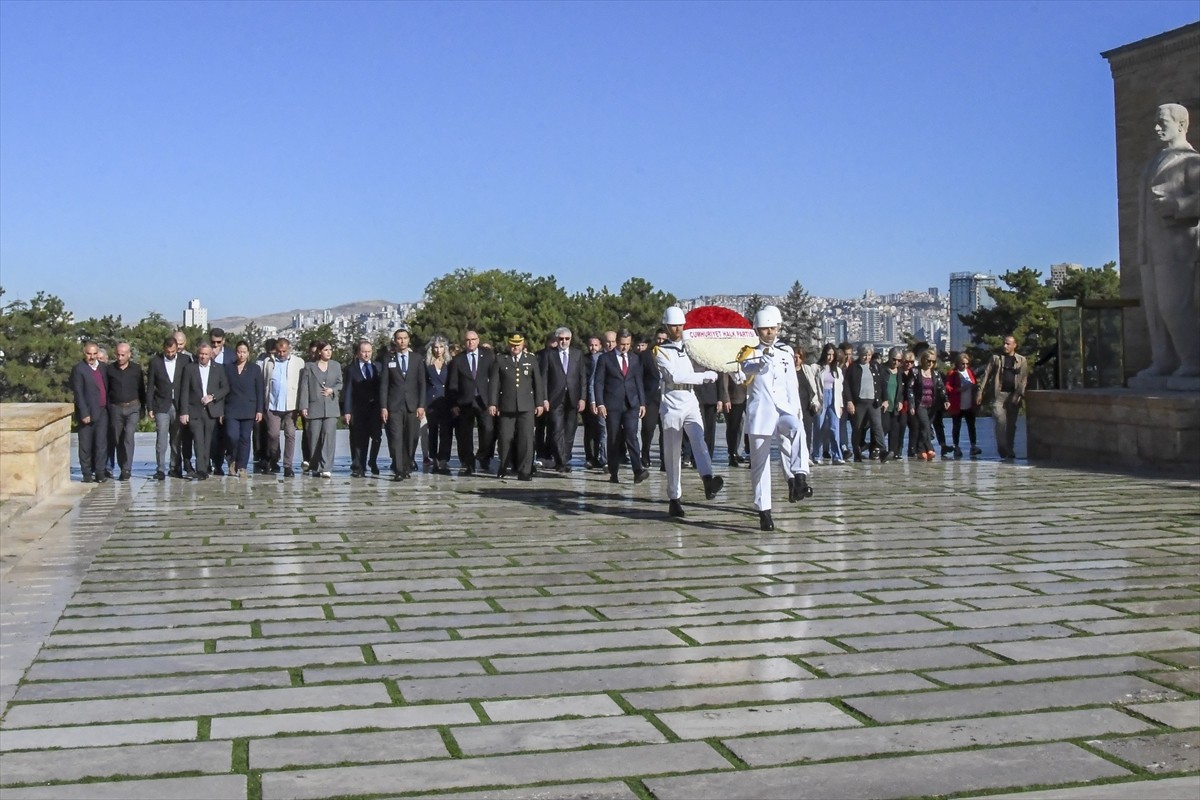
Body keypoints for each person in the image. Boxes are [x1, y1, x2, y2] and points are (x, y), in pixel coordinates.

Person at [1136, 103, 1200, 379]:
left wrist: (1177, 205)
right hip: (1151, 247)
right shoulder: (1154, 162)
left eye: (1163, 122)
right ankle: (1163, 359)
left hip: (1178, 247)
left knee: (1174, 306)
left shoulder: (1191, 161)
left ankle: (1192, 360)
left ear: (1182, 125)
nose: (1157, 127)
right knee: (1155, 310)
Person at [735, 307, 811, 532]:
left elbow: (791, 386)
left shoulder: (786, 352)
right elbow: (744, 371)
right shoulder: (749, 352)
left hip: (783, 409)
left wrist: (796, 410)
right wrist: (760, 362)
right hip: (761, 414)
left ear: (778, 328)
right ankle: (764, 510)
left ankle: (799, 475)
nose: (769, 332)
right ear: (757, 329)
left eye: (772, 328)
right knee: (760, 465)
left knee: (797, 429)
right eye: (764, 329)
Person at [655, 306, 724, 519]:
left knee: (699, 440)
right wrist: (703, 377)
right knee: (673, 452)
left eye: (680, 325)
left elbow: (704, 363)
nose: (678, 329)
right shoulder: (661, 351)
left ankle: (707, 479)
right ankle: (674, 498)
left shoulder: (689, 347)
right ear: (667, 326)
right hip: (672, 401)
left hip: (690, 399)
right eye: (674, 325)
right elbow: (675, 376)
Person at [488, 333, 545, 482]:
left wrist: (539, 403)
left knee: (526, 439)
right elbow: (494, 383)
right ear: (509, 345)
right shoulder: (501, 360)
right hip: (506, 406)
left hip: (526, 405)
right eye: (513, 344)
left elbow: (538, 383)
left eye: (518, 344)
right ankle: (504, 465)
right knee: (505, 438)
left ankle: (524, 470)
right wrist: (493, 403)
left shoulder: (531, 359)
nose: (515, 347)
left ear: (523, 344)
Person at [594, 329, 649, 485]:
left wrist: (642, 403)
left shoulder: (634, 358)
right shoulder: (605, 359)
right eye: (622, 344)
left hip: (631, 403)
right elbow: (598, 382)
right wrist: (600, 403)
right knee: (614, 438)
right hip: (613, 404)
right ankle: (613, 471)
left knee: (632, 435)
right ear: (617, 342)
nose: (625, 347)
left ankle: (637, 470)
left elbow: (639, 381)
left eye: (628, 344)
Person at [379, 327, 426, 481]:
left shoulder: (417, 358)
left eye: (405, 338)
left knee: (411, 438)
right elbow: (384, 385)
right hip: (394, 406)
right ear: (395, 340)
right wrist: (384, 407)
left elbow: (422, 384)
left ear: (409, 339)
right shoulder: (388, 359)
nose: (402, 341)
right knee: (396, 437)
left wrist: (421, 405)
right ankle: (399, 469)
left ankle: (407, 465)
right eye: (399, 338)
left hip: (412, 405)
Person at [447, 330, 495, 476]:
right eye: (467, 340)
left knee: (488, 429)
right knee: (465, 434)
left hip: (484, 400)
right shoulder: (458, 360)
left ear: (478, 340)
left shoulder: (488, 356)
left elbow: (494, 380)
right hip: (465, 401)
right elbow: (452, 384)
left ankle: (484, 455)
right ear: (464, 342)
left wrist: (494, 401)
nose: (470, 342)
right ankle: (469, 463)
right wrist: (453, 404)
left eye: (473, 339)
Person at [179, 343, 229, 481]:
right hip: (194, 410)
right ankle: (201, 469)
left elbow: (225, 388)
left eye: (206, 354)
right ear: (197, 354)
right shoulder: (190, 368)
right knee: (198, 440)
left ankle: (206, 466)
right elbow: (184, 391)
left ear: (211, 355)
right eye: (201, 354)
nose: (203, 356)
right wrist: (184, 412)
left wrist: (212, 397)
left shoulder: (218, 369)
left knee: (208, 441)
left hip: (211, 410)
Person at [542, 326, 586, 473]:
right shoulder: (549, 355)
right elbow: (544, 378)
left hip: (573, 397)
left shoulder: (577, 354)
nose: (563, 342)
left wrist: (583, 398)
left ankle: (564, 458)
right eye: (561, 339)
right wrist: (544, 398)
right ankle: (561, 462)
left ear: (570, 339)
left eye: (566, 339)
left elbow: (582, 377)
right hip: (555, 398)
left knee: (570, 430)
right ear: (556, 339)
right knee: (556, 429)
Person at [978, 335, 1029, 460]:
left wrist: (1017, 395)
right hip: (999, 394)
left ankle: (1009, 449)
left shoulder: (1021, 360)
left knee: (1011, 424)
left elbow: (1024, 380)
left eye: (1008, 344)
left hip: (1013, 396)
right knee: (1000, 421)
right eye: (1004, 343)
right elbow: (986, 375)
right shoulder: (996, 359)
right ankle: (1002, 446)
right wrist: (980, 392)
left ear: (1014, 345)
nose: (1005, 346)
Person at [261, 336, 305, 477]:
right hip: (273, 405)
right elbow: (263, 383)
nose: (281, 354)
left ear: (289, 349)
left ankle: (288, 465)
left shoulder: (299, 362)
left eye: (284, 351)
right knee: (273, 435)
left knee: (290, 435)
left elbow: (302, 385)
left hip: (291, 406)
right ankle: (274, 458)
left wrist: (300, 405)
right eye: (279, 351)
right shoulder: (268, 362)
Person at [298, 340, 343, 478]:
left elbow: (340, 383)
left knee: (329, 436)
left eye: (330, 349)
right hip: (314, 406)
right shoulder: (309, 367)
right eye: (326, 350)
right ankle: (316, 465)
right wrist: (303, 406)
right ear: (319, 351)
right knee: (314, 437)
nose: (329, 352)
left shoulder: (336, 366)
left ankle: (326, 467)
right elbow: (304, 387)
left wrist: (332, 390)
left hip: (330, 406)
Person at [146, 335, 189, 480]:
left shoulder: (185, 361)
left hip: (178, 405)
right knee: (161, 438)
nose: (170, 354)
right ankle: (160, 469)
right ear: (164, 349)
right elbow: (150, 385)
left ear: (177, 349)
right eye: (168, 352)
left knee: (177, 439)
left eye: (173, 352)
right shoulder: (155, 362)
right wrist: (150, 406)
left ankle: (175, 467)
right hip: (161, 405)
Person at [223, 340, 264, 479]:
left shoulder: (255, 369)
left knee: (245, 438)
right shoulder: (228, 368)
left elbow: (260, 390)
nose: (241, 355)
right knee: (232, 436)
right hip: (231, 408)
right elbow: (223, 389)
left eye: (244, 352)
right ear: (236, 353)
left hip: (249, 409)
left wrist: (259, 410)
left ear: (248, 353)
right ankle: (232, 458)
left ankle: (242, 467)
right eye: (239, 352)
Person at [70, 341, 110, 483]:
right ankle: (86, 473)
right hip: (87, 412)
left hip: (102, 411)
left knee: (101, 443)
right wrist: (84, 412)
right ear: (84, 353)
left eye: (94, 354)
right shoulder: (79, 369)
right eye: (89, 354)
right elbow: (78, 393)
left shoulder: (104, 368)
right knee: (85, 444)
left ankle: (100, 472)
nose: (92, 357)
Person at [342, 340, 383, 477]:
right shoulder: (351, 369)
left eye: (369, 352)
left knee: (377, 437)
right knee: (359, 439)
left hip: (375, 409)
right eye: (364, 352)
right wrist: (347, 411)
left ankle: (372, 460)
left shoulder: (378, 367)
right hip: (358, 409)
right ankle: (359, 466)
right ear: (358, 353)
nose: (366, 355)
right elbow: (347, 390)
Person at [105, 342, 145, 481]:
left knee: (128, 436)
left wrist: (143, 408)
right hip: (116, 408)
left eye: (123, 355)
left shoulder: (136, 369)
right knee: (118, 439)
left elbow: (141, 389)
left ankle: (127, 468)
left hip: (133, 407)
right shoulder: (110, 370)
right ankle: (121, 466)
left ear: (129, 355)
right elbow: (106, 390)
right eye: (118, 354)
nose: (120, 357)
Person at [844, 344, 886, 463]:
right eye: (864, 355)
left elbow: (882, 383)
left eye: (868, 355)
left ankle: (882, 450)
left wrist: (885, 399)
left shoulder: (875, 366)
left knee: (877, 426)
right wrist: (849, 401)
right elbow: (846, 385)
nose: (866, 358)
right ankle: (857, 453)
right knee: (857, 428)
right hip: (859, 402)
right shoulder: (853, 367)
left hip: (874, 402)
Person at [423, 334, 454, 475]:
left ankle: (444, 460)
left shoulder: (450, 364)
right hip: (431, 403)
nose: (438, 350)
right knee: (433, 432)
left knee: (446, 432)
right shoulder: (426, 365)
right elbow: (422, 385)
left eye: (441, 347)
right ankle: (434, 458)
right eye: (435, 347)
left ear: (445, 348)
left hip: (446, 402)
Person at [911, 350, 950, 460]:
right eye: (928, 361)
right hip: (920, 404)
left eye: (933, 361)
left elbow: (941, 388)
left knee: (927, 427)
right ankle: (926, 448)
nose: (930, 363)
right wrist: (912, 404)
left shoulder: (936, 374)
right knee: (925, 426)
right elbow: (910, 389)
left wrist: (946, 400)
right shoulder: (915, 372)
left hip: (932, 405)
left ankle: (923, 450)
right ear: (923, 360)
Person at [813, 343, 845, 465]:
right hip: (822, 398)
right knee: (819, 427)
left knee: (834, 428)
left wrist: (841, 405)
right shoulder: (817, 368)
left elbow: (840, 389)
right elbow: (814, 386)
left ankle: (837, 455)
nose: (830, 357)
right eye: (828, 354)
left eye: (832, 355)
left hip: (834, 398)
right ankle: (817, 454)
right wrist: (814, 402)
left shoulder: (837, 370)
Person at [946, 353, 981, 458]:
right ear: (958, 363)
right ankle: (956, 446)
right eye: (962, 364)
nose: (965, 366)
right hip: (958, 404)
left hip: (969, 404)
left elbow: (974, 383)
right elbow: (947, 387)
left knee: (971, 425)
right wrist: (958, 390)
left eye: (966, 364)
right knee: (956, 426)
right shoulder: (953, 373)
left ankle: (973, 446)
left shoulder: (969, 372)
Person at [878, 347, 911, 462]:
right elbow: (879, 387)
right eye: (894, 360)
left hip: (896, 405)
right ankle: (878, 449)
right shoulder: (882, 370)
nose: (896, 363)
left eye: (899, 360)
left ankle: (892, 452)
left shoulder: (900, 373)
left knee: (895, 429)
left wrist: (901, 401)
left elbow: (902, 389)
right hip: (885, 406)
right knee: (884, 427)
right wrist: (883, 400)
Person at [172, 330, 197, 476]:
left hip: (187, 402)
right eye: (177, 344)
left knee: (187, 436)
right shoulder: (165, 357)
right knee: (175, 437)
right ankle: (175, 465)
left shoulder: (189, 358)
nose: (179, 347)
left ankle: (188, 463)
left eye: (181, 344)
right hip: (171, 402)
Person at [641, 331, 666, 469]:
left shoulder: (671, 354)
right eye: (659, 338)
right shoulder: (646, 355)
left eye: (663, 339)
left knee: (666, 430)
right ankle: (645, 456)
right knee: (648, 428)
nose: (661, 341)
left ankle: (664, 459)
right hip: (651, 396)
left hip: (667, 396)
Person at [582, 335, 606, 469]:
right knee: (590, 430)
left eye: (596, 345)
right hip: (587, 399)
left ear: (600, 346)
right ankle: (590, 457)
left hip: (600, 398)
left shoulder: (602, 358)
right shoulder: (583, 359)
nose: (593, 348)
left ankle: (601, 456)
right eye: (591, 345)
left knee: (601, 430)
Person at [794, 347, 821, 464]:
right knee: (794, 432)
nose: (797, 359)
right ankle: (794, 456)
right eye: (795, 357)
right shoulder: (788, 371)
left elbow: (813, 387)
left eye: (799, 357)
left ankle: (806, 455)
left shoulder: (807, 369)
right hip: (794, 407)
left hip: (807, 406)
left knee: (807, 431)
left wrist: (815, 403)